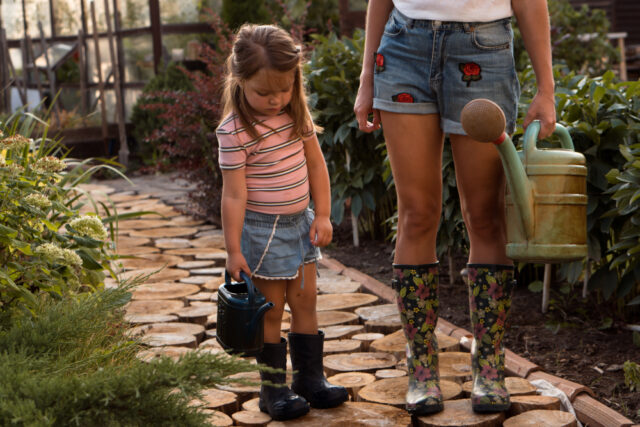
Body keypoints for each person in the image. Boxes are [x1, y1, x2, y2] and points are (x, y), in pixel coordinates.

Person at [354, 0, 556, 416]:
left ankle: (490, 367)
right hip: (403, 46)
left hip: (483, 50)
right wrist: (366, 78)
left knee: (485, 215)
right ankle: (422, 368)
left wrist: (546, 89)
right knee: (416, 213)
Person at [217, 24, 349, 421]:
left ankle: (310, 380)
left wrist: (323, 213)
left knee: (306, 301)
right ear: (240, 81)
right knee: (271, 310)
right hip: (262, 231)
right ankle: (273, 388)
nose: (275, 100)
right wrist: (234, 249)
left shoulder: (296, 115)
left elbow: (316, 165)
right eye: (263, 92)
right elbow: (234, 194)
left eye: (284, 89)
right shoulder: (235, 130)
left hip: (301, 226)